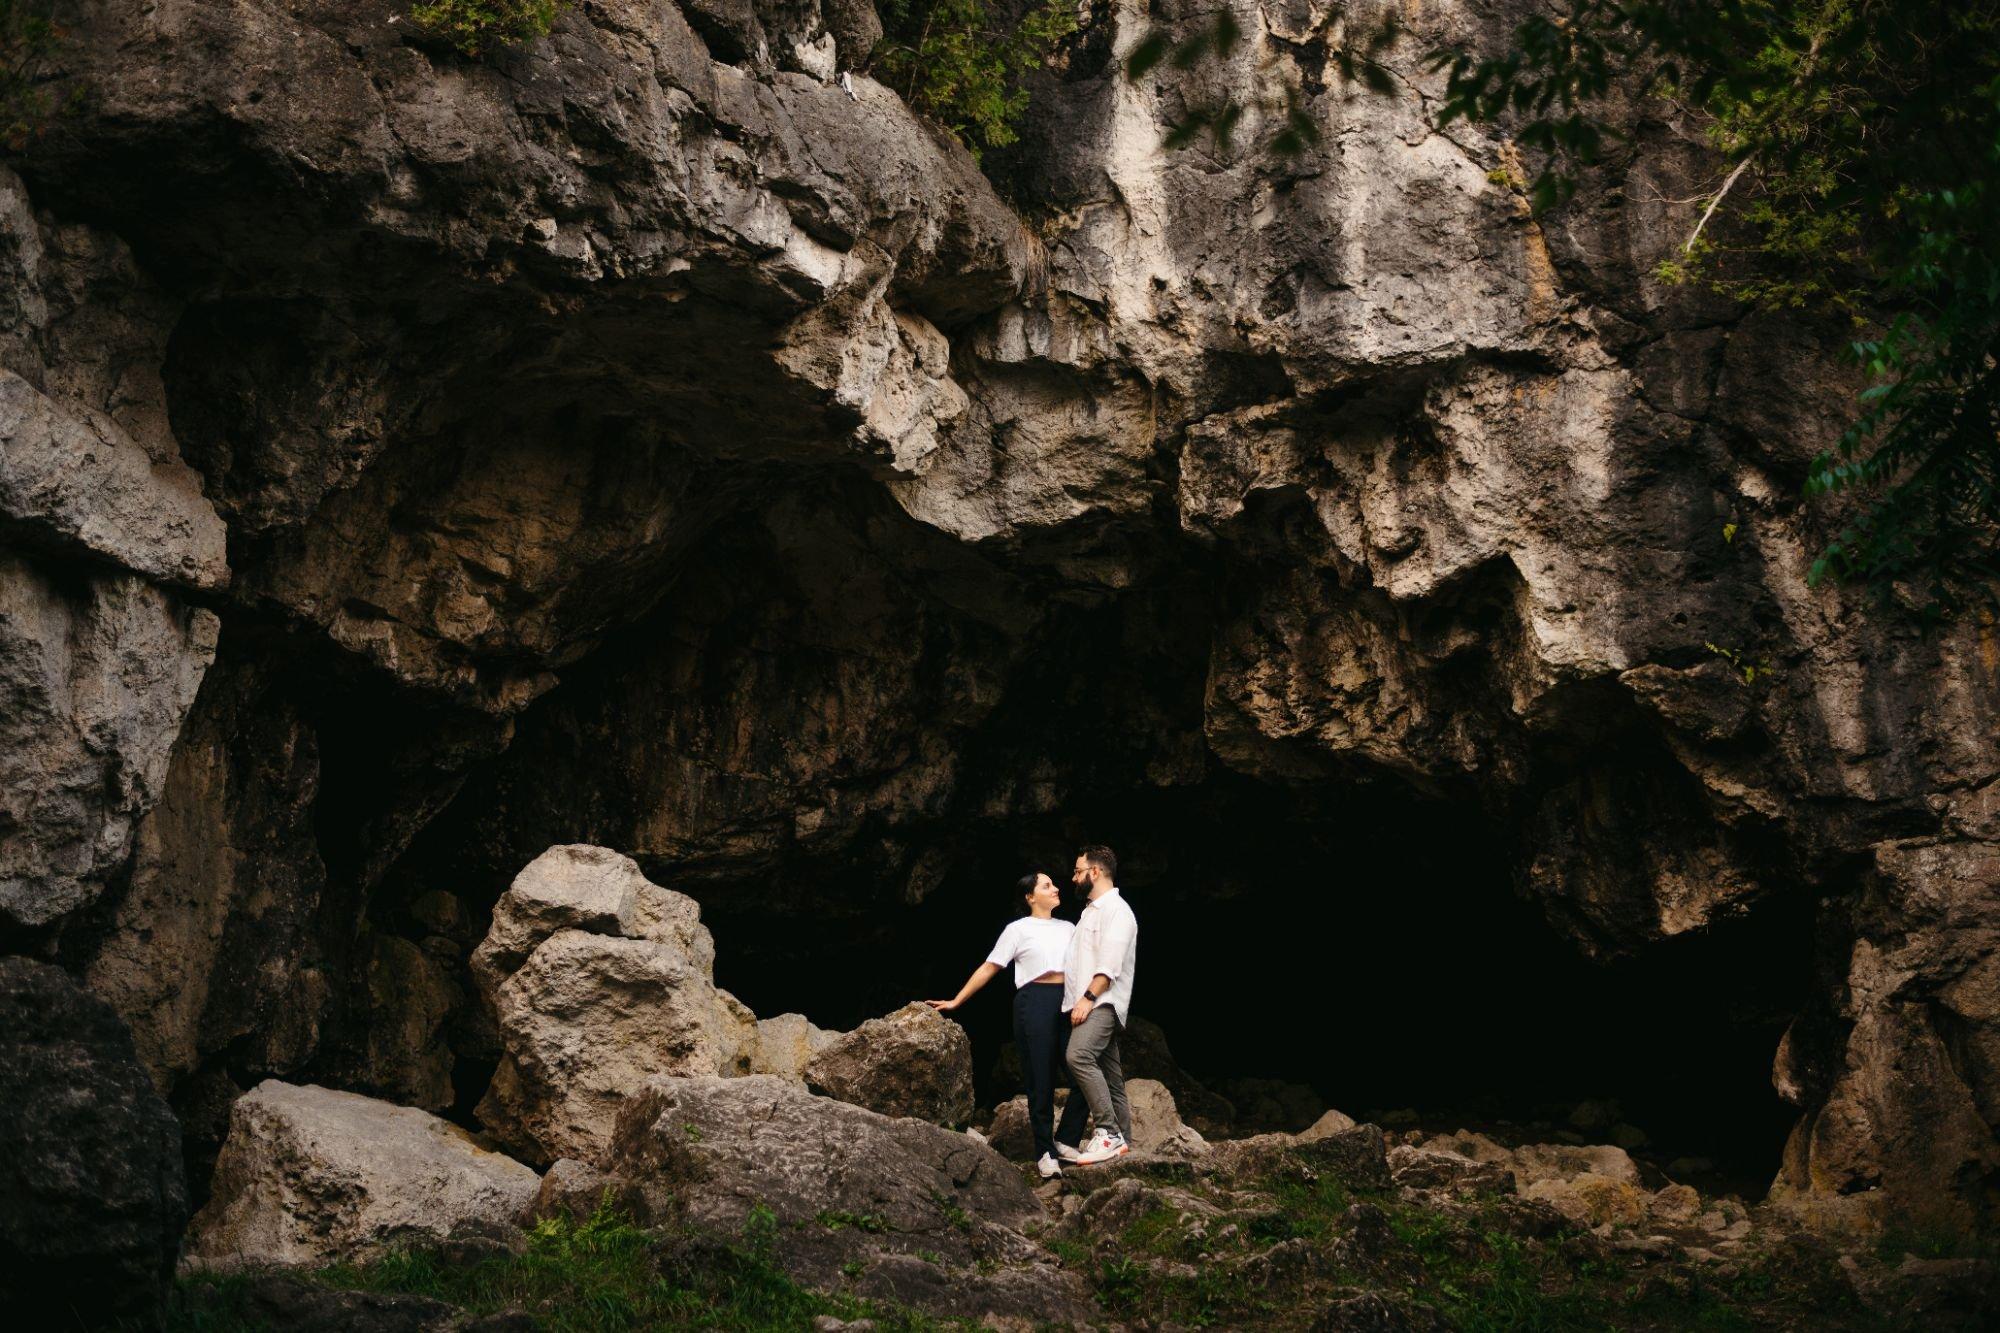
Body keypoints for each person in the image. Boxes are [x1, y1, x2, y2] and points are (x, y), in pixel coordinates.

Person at [925, 872, 1075, 1179]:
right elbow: (989, 966)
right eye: (1047, 885)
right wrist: (957, 1000)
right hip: (1034, 1000)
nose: (1056, 888)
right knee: (1041, 1077)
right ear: (1030, 897)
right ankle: (1045, 1153)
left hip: (1069, 1000)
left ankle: (1066, 1140)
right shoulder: (1017, 929)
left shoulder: (1069, 927)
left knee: (1083, 1072)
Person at [1056, 844, 1138, 1165]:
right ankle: (1124, 1143)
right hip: (1090, 1003)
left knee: (1078, 1056)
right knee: (1111, 1078)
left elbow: (1109, 965)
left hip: (1100, 1003)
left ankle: (1108, 1133)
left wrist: (1087, 999)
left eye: (1078, 871)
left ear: (1095, 871)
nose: (1074, 878)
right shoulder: (1091, 912)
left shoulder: (1117, 911)